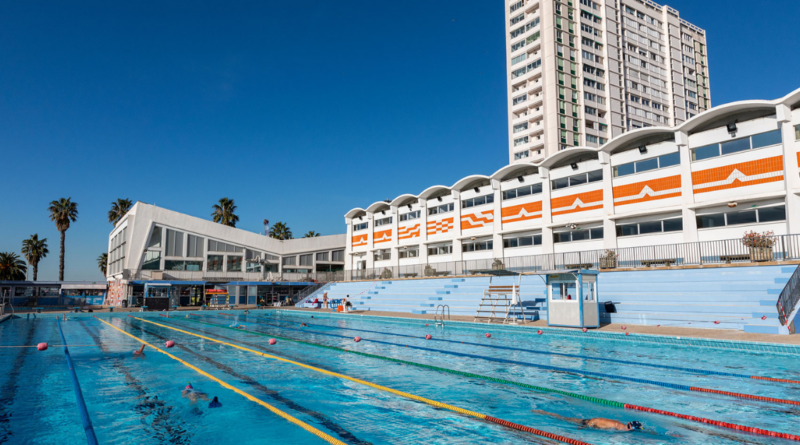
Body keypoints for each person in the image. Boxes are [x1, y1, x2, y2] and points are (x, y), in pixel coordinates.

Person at [532, 410, 641, 432]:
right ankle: (544, 412)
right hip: (588, 423)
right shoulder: (615, 424)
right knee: (562, 419)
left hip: (593, 425)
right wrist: (585, 426)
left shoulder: (622, 429)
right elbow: (596, 420)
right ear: (628, 424)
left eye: (633, 429)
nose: (630, 430)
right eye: (630, 428)